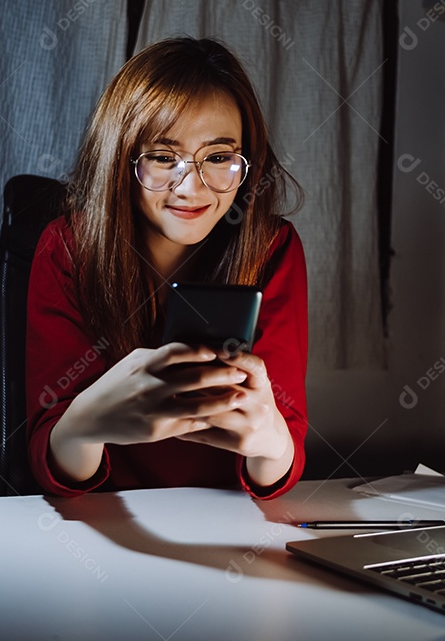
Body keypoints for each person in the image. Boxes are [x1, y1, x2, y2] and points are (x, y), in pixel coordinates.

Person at [26, 37, 307, 499]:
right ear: (121, 160)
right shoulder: (67, 247)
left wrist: (271, 440)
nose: (191, 187)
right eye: (162, 157)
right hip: (105, 515)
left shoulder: (272, 247)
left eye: (219, 158)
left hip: (228, 517)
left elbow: (278, 466)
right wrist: (83, 425)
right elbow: (52, 462)